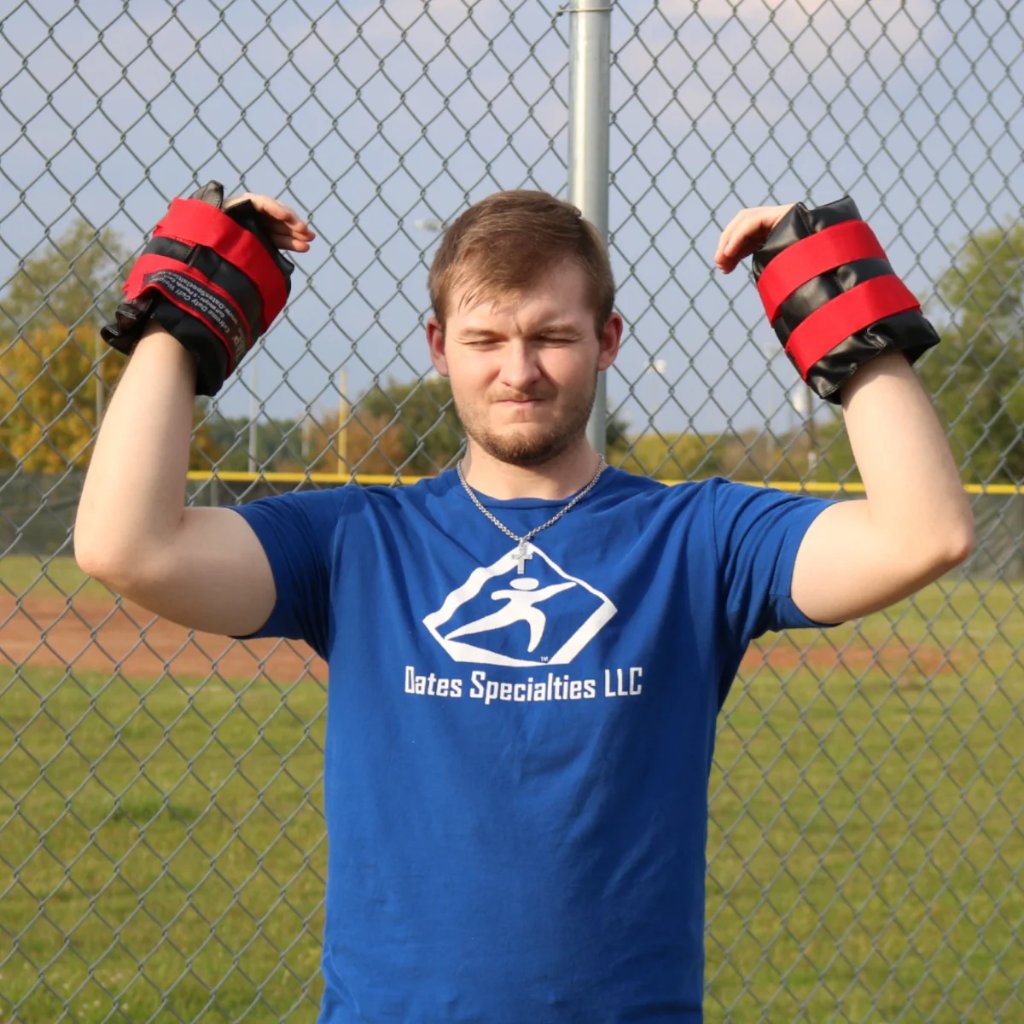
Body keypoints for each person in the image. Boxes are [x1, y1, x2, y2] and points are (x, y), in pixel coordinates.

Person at [75, 188, 973, 1022]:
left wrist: (830, 296)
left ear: (607, 340)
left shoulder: (699, 538)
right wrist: (183, 321)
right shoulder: (358, 541)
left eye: (552, 335)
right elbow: (126, 547)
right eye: (485, 340)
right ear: (438, 347)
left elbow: (922, 534)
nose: (520, 371)